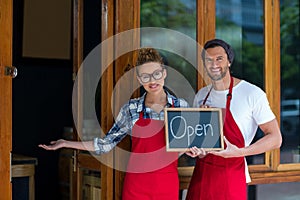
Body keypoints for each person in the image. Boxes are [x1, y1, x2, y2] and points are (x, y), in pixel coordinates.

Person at [39, 47, 189, 200]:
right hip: (137, 185)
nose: (152, 80)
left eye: (156, 74)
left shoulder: (181, 107)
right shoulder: (131, 108)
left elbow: (187, 144)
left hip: (167, 185)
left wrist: (192, 148)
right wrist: (66, 143)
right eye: (145, 76)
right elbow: (106, 144)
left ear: (164, 73)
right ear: (138, 79)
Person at [185, 39, 282, 200]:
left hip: (231, 176)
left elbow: (275, 138)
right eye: (208, 60)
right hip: (202, 176)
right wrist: (195, 149)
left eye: (219, 59)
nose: (214, 64)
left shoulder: (252, 94)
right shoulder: (201, 96)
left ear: (229, 61)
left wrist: (239, 152)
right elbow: (198, 141)